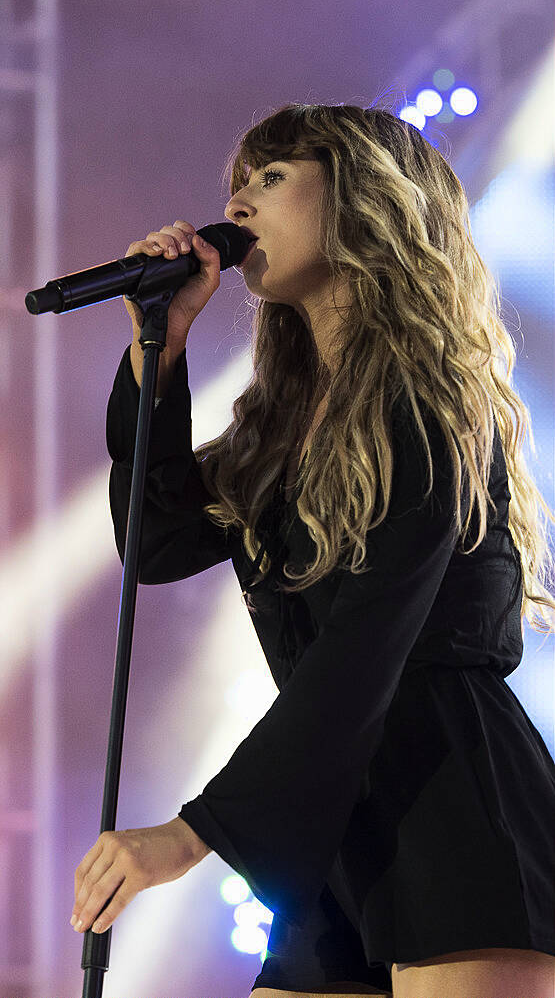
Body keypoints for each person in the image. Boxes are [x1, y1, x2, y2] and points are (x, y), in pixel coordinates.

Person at [104, 104, 555, 998]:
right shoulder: (277, 431)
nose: (239, 197)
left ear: (363, 203)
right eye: (239, 180)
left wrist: (192, 833)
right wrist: (158, 352)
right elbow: (152, 542)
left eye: (273, 177)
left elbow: (362, 651)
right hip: (330, 813)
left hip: (448, 798)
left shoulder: (428, 407)